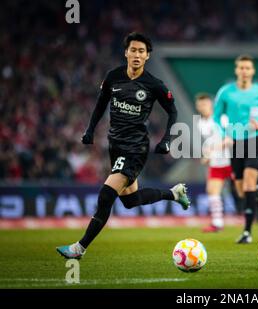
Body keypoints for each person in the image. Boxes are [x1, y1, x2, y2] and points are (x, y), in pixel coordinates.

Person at [56, 32, 190, 259]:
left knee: (106, 196)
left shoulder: (153, 84)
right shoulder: (113, 77)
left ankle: (79, 248)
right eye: (133, 50)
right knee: (129, 200)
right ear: (126, 52)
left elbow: (173, 111)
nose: (137, 54)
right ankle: (174, 194)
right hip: (115, 145)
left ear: (147, 56)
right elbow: (100, 105)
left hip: (135, 147)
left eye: (142, 51)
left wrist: (167, 139)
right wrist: (89, 130)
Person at [213, 55, 258, 244]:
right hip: (234, 142)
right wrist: (224, 133)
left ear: (252, 71)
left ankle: (247, 232)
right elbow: (216, 118)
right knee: (241, 191)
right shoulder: (225, 93)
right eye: (241, 68)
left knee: (248, 184)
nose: (244, 71)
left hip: (254, 140)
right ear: (236, 70)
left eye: (247, 68)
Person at [195, 93, 232, 232]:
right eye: (199, 105)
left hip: (231, 161)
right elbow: (209, 143)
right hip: (216, 163)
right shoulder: (201, 123)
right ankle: (217, 223)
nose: (202, 107)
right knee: (212, 191)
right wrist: (207, 154)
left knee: (245, 190)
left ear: (210, 104)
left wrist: (213, 150)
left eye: (204, 104)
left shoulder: (221, 118)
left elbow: (230, 139)